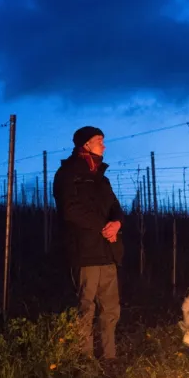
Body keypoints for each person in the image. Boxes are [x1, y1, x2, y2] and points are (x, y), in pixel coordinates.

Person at [52, 126, 123, 364]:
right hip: (84, 252)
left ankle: (109, 358)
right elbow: (70, 211)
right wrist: (104, 226)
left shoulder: (102, 179)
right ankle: (85, 361)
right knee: (86, 309)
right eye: (99, 141)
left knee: (110, 310)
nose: (104, 146)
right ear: (85, 145)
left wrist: (116, 223)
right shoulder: (68, 174)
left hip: (107, 251)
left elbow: (115, 207)